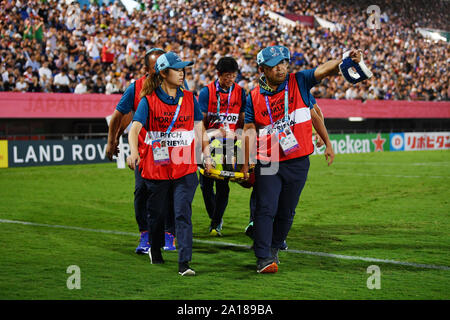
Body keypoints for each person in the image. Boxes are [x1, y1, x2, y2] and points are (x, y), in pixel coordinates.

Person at [241, 45, 365, 274]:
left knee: (287, 212)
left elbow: (323, 71)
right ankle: (263, 257)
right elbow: (249, 129)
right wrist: (246, 162)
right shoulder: (253, 97)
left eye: (283, 63)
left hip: (298, 160)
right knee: (266, 208)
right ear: (262, 70)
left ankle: (274, 246)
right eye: (274, 65)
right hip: (268, 160)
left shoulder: (298, 81)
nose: (281, 68)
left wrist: (343, 58)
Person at [127, 51, 212, 276]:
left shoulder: (190, 98)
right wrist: (133, 152)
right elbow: (134, 128)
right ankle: (156, 249)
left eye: (183, 68)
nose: (182, 73)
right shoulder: (148, 101)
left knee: (182, 213)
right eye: (177, 69)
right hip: (156, 169)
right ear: (164, 73)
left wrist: (207, 154)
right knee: (156, 215)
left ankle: (185, 263)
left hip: (185, 168)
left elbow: (198, 128)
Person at [106, 47, 178, 254]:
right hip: (145, 150)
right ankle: (145, 234)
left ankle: (169, 234)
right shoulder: (136, 88)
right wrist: (112, 141)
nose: (162, 70)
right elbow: (118, 115)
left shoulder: (176, 85)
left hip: (172, 150)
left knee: (171, 193)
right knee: (141, 192)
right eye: (157, 66)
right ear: (146, 69)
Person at [198, 57, 246, 236]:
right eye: (227, 76)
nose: (231, 80)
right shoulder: (206, 93)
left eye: (233, 76)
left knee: (223, 185)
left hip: (229, 145)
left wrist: (239, 145)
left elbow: (242, 120)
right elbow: (200, 122)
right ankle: (215, 216)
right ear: (218, 74)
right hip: (208, 143)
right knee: (205, 185)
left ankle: (215, 222)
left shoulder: (240, 92)